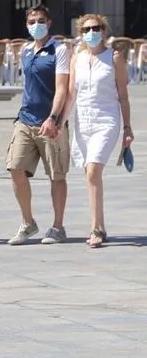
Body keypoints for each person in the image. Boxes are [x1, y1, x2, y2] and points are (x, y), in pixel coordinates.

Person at [5, 5, 71, 245]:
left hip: (51, 122)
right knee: (15, 166)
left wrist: (53, 118)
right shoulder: (25, 50)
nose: (36, 25)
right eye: (32, 22)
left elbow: (62, 88)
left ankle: (58, 226)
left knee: (56, 174)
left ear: (49, 22)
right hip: (25, 119)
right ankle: (28, 222)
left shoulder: (59, 50)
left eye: (41, 21)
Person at [67, 14, 134, 248]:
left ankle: (95, 228)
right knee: (89, 172)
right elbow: (71, 94)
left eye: (96, 28)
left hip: (107, 120)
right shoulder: (77, 58)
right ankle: (101, 225)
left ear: (104, 31)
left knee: (94, 169)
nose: (91, 33)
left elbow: (123, 95)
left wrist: (127, 127)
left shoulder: (114, 57)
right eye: (86, 30)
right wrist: (57, 121)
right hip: (83, 121)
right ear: (80, 34)